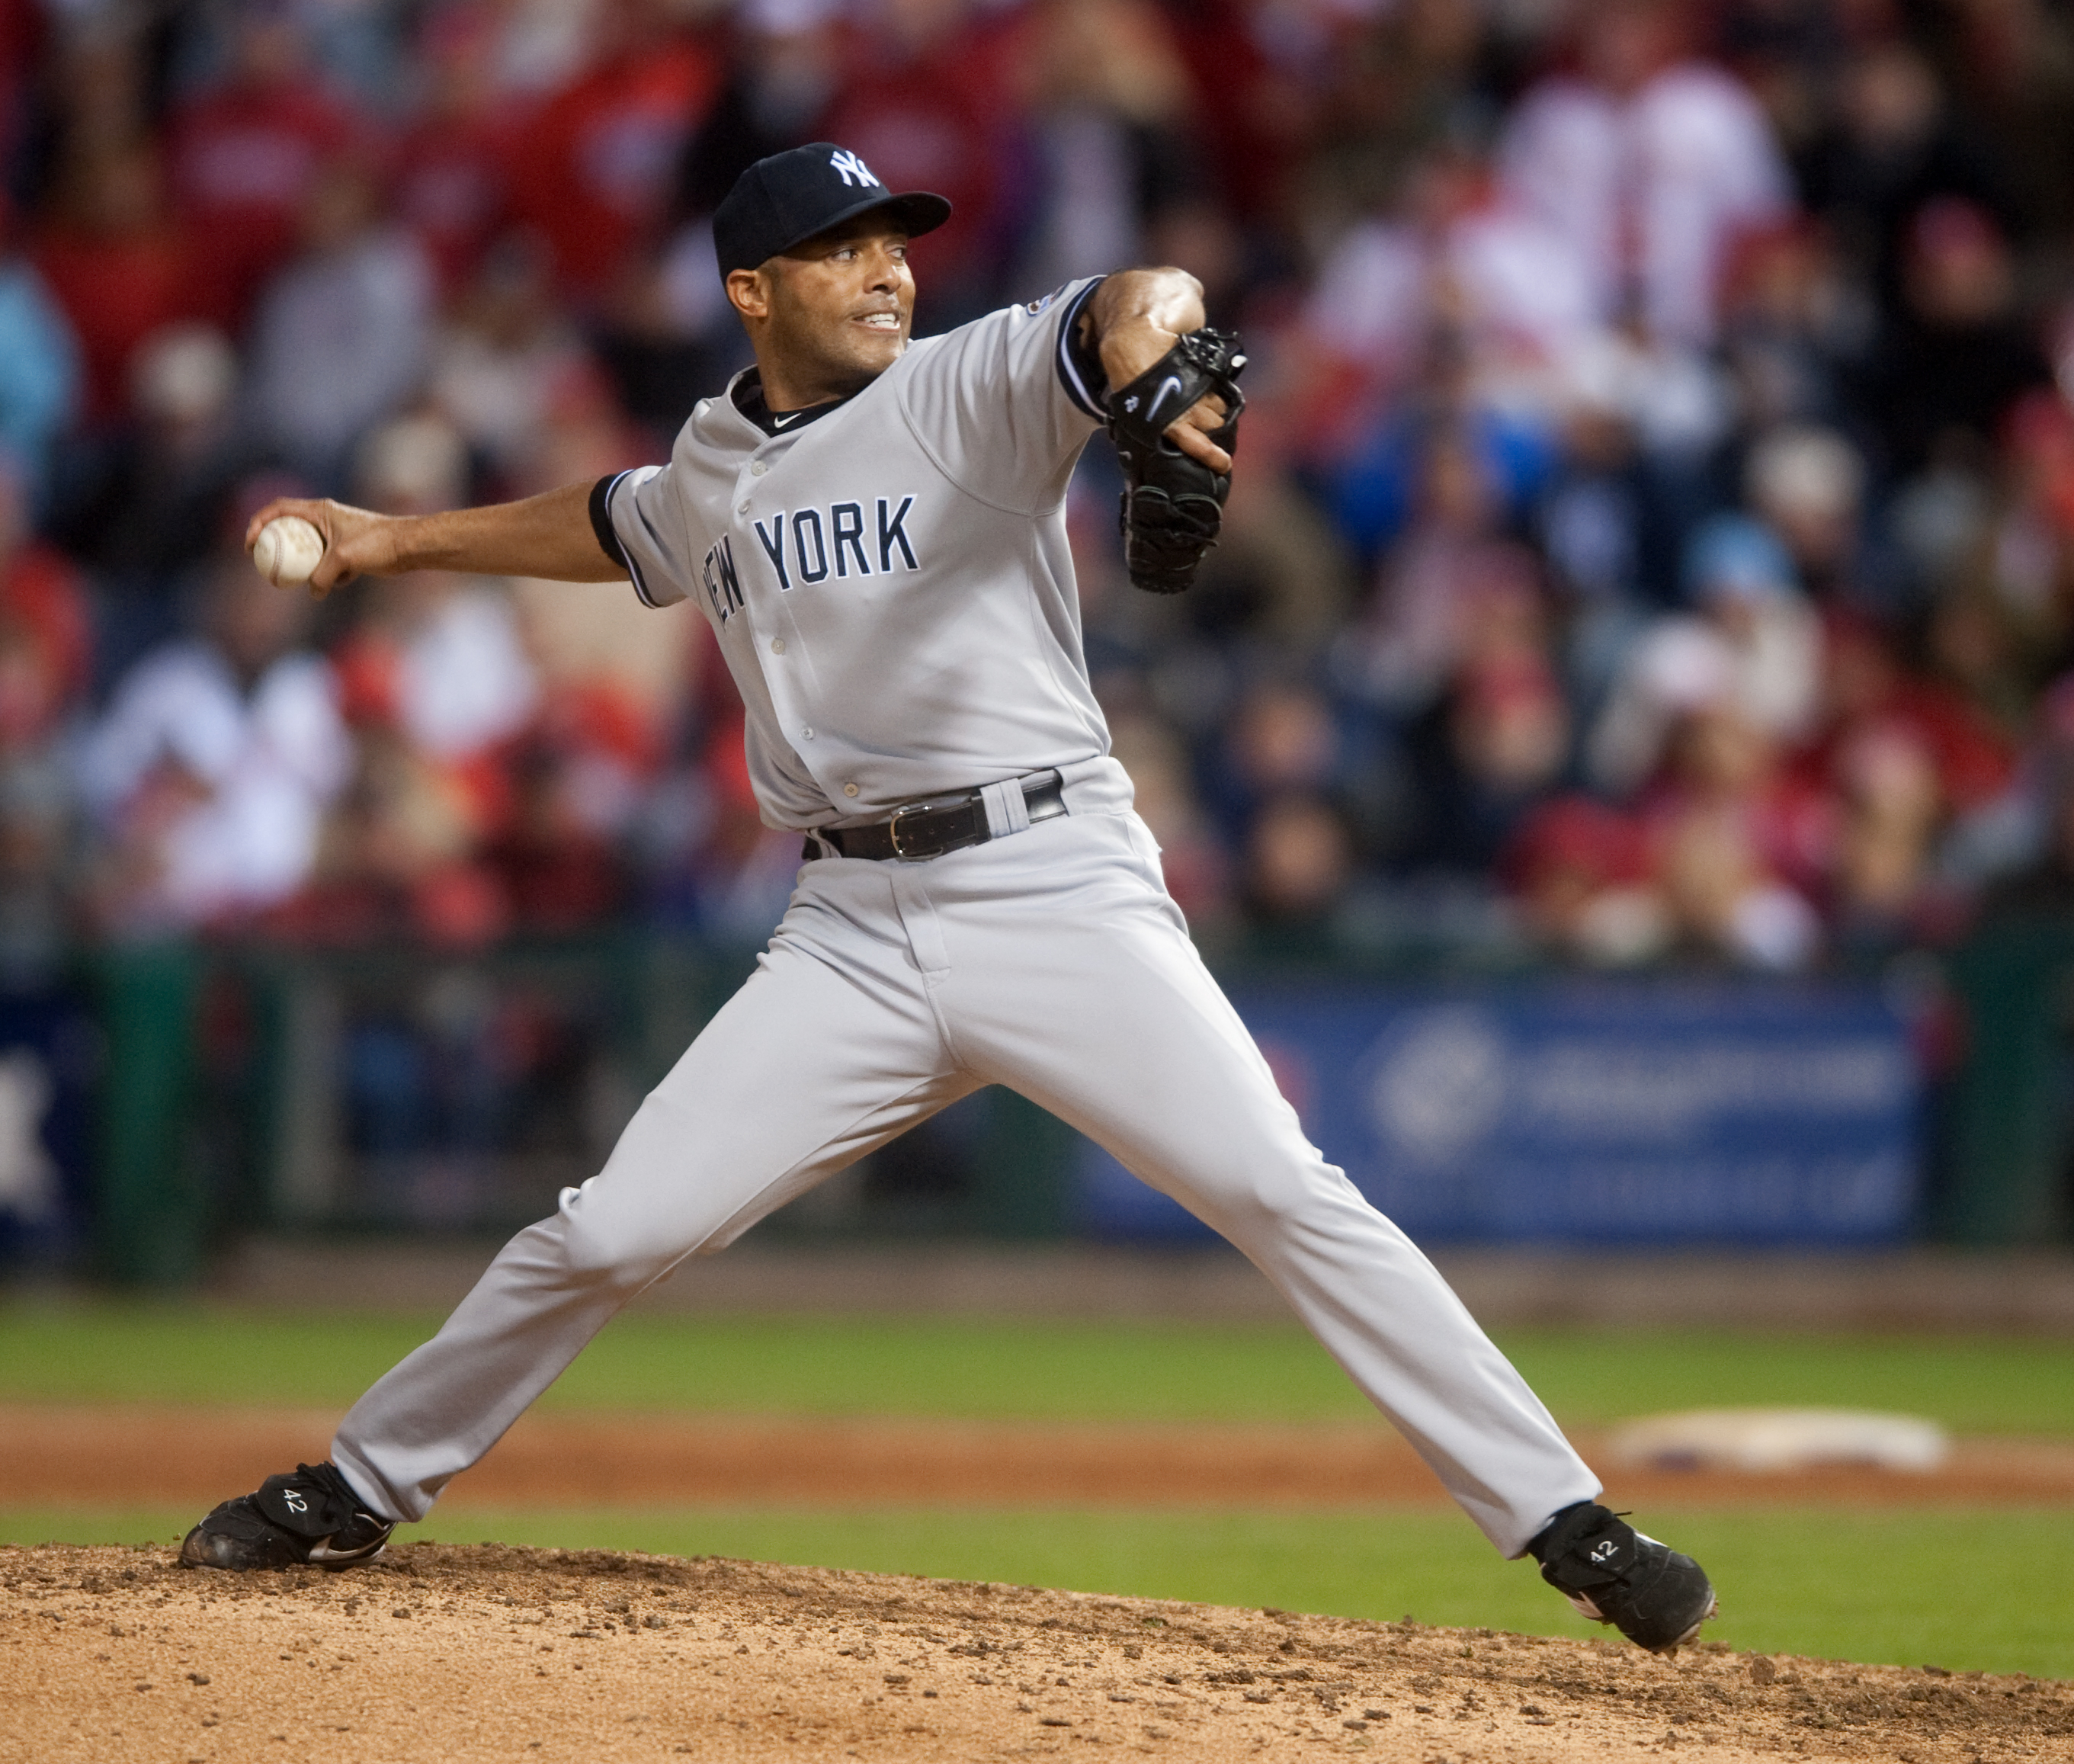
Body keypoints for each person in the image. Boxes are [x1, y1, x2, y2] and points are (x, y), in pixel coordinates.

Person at [176, 142, 1717, 1656]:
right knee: (604, 1229)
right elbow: (617, 520)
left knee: (1277, 1187)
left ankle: (1566, 1519)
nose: (885, 267)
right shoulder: (718, 456)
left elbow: (1138, 295)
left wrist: (1152, 358)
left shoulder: (965, 382)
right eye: (844, 248)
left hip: (1049, 884)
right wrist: (398, 541)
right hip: (844, 931)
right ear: (748, 291)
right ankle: (358, 1481)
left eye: (893, 240)